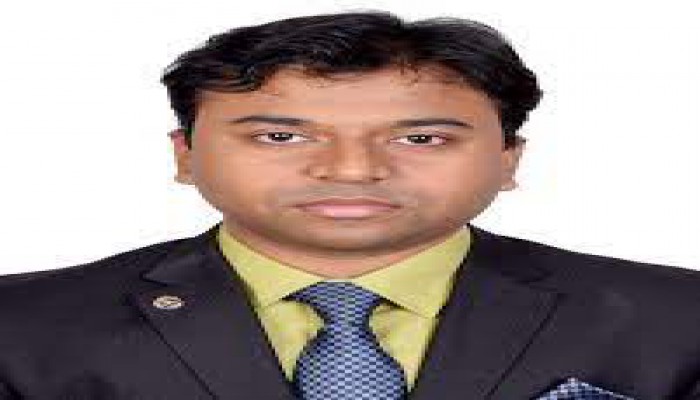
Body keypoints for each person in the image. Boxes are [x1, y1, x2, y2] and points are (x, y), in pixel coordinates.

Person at [0, 10, 698, 400]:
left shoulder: (679, 319)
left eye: (420, 137)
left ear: (508, 157)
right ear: (185, 155)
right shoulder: (20, 326)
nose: (352, 170)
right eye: (281, 136)